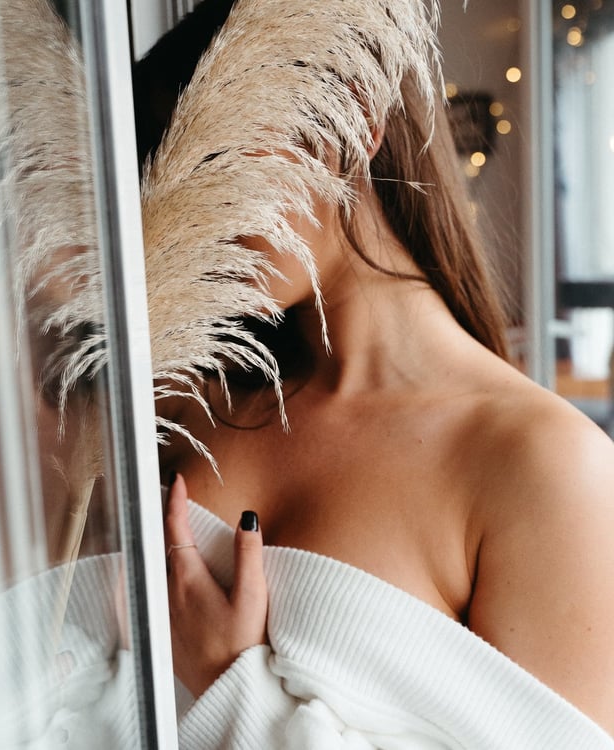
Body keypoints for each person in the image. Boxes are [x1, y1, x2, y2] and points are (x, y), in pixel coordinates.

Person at [136, 0, 614, 745]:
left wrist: (232, 688)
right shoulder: (184, 405)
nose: (191, 214)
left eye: (213, 160)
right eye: (162, 180)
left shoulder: (545, 467)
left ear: (350, 121)